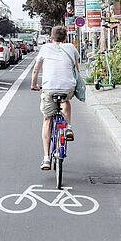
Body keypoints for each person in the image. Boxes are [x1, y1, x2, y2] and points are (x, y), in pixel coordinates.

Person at [30, 25, 80, 170]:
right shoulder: (71, 48)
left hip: (49, 88)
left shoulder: (45, 48)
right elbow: (76, 70)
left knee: (47, 119)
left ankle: (46, 158)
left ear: (51, 37)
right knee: (65, 100)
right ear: (66, 37)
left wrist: (34, 85)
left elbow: (36, 70)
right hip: (67, 87)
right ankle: (68, 127)